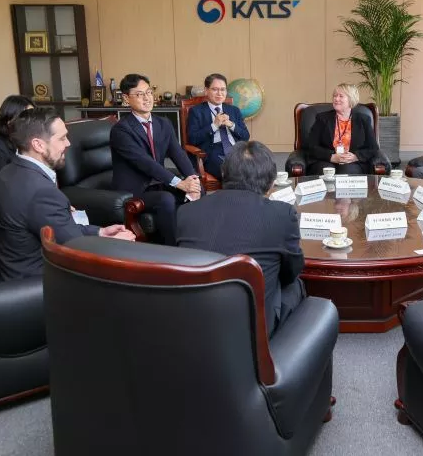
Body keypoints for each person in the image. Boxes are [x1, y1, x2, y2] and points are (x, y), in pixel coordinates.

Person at [176, 141, 306, 337]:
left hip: (194, 322)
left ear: (223, 173)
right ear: (271, 182)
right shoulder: (282, 214)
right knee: (296, 286)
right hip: (251, 331)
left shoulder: (186, 212)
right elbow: (291, 272)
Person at [0, 108, 135, 280]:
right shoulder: (40, 191)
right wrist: (114, 243)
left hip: (12, 263)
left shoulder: (10, 170)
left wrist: (101, 232)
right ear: (38, 145)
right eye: (61, 138)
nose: (68, 143)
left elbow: (62, 229)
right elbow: (76, 248)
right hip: (39, 277)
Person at [110, 73, 201, 246]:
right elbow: (145, 163)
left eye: (149, 92)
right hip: (134, 189)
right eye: (139, 94)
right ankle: (172, 250)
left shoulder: (163, 123)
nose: (147, 98)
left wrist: (193, 179)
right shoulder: (121, 130)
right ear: (126, 99)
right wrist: (178, 182)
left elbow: (178, 154)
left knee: (198, 189)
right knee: (166, 199)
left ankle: (194, 241)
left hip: (158, 182)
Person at [305, 83, 380, 176]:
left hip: (352, 162)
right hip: (325, 160)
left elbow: (373, 148)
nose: (336, 99)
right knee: (326, 171)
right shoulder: (322, 118)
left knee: (347, 172)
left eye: (341, 96)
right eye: (335, 96)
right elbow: (311, 145)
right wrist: (331, 157)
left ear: (351, 99)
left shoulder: (363, 119)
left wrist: (356, 157)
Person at [186, 73, 250, 180]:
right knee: (232, 172)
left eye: (223, 89)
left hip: (236, 150)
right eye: (215, 89)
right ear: (206, 91)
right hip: (213, 152)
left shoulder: (234, 110)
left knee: (258, 167)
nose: (219, 93)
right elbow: (192, 139)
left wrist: (231, 125)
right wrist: (214, 126)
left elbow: (245, 136)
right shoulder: (196, 111)